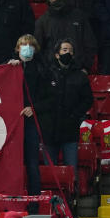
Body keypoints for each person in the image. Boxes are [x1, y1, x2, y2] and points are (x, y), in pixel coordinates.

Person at [38, 39, 94, 168]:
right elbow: (40, 98)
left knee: (71, 171)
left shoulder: (80, 76)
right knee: (50, 172)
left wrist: (75, 115)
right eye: (64, 50)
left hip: (70, 130)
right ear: (57, 54)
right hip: (49, 131)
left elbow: (87, 100)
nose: (67, 53)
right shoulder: (46, 75)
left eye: (70, 51)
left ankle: (73, 189)